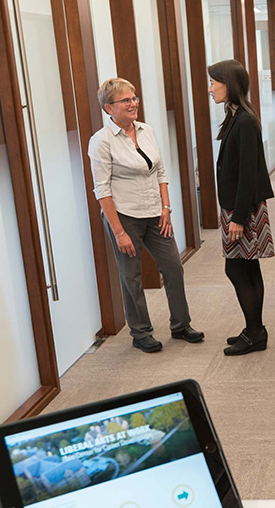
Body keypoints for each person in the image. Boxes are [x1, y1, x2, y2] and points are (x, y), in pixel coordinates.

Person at [88, 78, 203, 353]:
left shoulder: (147, 130)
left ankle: (181, 324)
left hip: (155, 213)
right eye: (125, 100)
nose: (133, 103)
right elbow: (102, 190)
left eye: (134, 98)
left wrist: (166, 209)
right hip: (124, 216)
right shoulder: (101, 141)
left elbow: (160, 172)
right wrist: (118, 232)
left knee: (173, 267)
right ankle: (140, 332)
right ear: (108, 108)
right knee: (132, 276)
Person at [207, 60, 275, 356]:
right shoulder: (236, 115)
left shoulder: (245, 120)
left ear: (229, 84)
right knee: (247, 266)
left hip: (242, 209)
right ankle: (253, 329)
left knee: (236, 268)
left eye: (214, 83)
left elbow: (248, 172)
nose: (210, 89)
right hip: (239, 206)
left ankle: (256, 332)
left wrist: (237, 218)